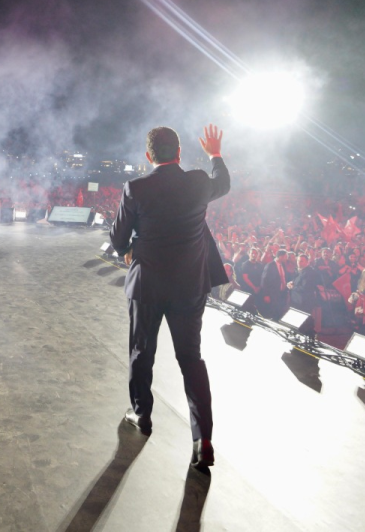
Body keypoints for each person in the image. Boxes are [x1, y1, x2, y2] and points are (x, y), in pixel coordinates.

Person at [110, 124, 229, 470]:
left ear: (149, 156)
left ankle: (142, 415)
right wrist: (215, 153)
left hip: (147, 286)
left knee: (141, 352)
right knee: (191, 359)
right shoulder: (198, 183)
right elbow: (223, 181)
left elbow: (118, 240)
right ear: (179, 153)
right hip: (189, 287)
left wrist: (132, 248)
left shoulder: (136, 189)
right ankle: (202, 439)